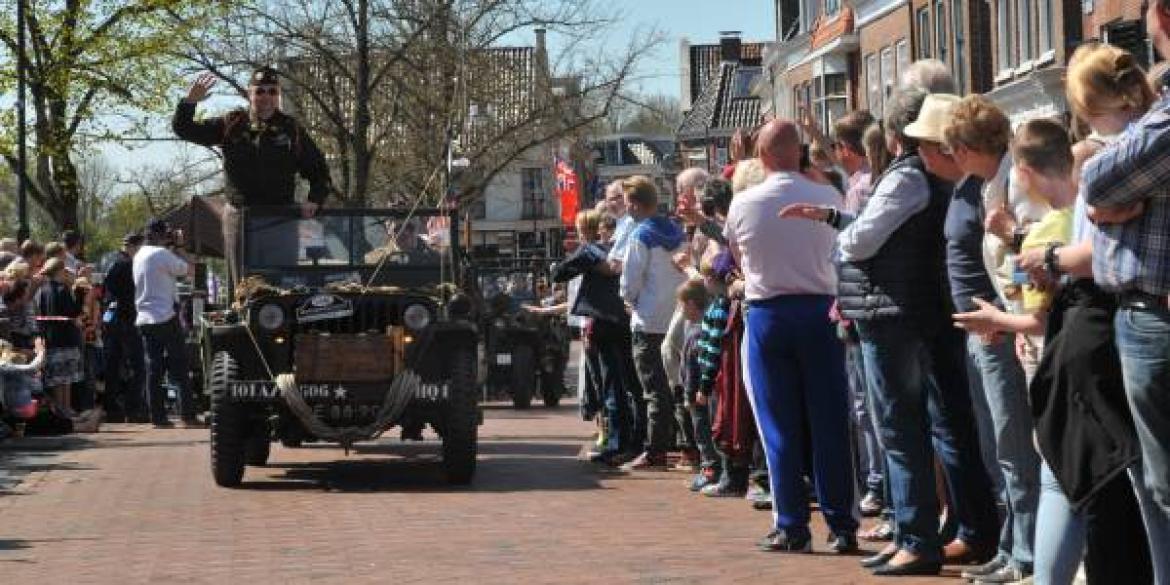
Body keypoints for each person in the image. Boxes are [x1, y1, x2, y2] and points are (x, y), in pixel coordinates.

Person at [781, 89, 999, 573]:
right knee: (944, 426)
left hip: (892, 314)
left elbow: (861, 242)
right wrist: (838, 217)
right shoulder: (948, 184)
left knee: (901, 427)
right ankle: (950, 530)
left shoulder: (908, 179)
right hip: (924, 310)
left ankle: (918, 537)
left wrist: (841, 237)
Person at [955, 114, 1154, 585]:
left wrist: (995, 319)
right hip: (1111, 357)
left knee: (1059, 480)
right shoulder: (1091, 221)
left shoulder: (1045, 236)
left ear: (1024, 174)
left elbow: (1035, 317)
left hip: (1062, 365)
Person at [725, 119, 858, 554]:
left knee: (778, 423)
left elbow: (739, 257)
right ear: (798, 153)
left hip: (769, 312)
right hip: (821, 309)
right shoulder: (828, 195)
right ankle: (842, 523)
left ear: (761, 157)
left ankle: (792, 524)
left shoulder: (744, 203)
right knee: (830, 420)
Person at [1079, 4, 1170, 577]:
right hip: (1142, 314)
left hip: (1153, 315)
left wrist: (1103, 198)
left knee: (1162, 487)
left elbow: (1096, 178)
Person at [942, 95, 1045, 583]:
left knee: (1013, 446)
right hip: (995, 327)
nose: (952, 157)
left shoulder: (1017, 182)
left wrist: (1011, 320)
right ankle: (1012, 544)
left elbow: (1042, 247)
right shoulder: (986, 186)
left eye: (955, 147)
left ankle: (1026, 555)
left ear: (968, 145)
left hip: (1011, 331)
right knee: (996, 446)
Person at [172, 67, 333, 284]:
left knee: (282, 283)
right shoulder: (232, 124)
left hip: (281, 216)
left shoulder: (291, 129)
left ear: (278, 96)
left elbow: (318, 171)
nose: (266, 96)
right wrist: (189, 102)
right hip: (241, 216)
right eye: (260, 91)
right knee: (243, 284)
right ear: (249, 94)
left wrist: (315, 199)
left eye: (272, 91)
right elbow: (185, 129)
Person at [618, 175, 686, 471]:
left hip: (648, 320)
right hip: (679, 315)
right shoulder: (676, 230)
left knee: (654, 388)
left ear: (634, 204)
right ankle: (688, 446)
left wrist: (629, 301)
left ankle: (656, 449)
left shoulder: (639, 235)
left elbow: (630, 281)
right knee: (681, 385)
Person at [134, 220, 199, 428]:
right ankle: (188, 416)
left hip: (144, 318)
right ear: (159, 235)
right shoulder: (161, 254)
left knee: (153, 369)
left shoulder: (139, 255)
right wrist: (179, 247)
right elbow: (189, 269)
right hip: (164, 316)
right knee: (180, 366)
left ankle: (158, 417)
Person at [102, 233, 147, 423]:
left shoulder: (111, 262)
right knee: (138, 366)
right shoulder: (129, 265)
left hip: (113, 319)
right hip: (128, 319)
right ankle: (133, 408)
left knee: (113, 365)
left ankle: (112, 407)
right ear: (135, 246)